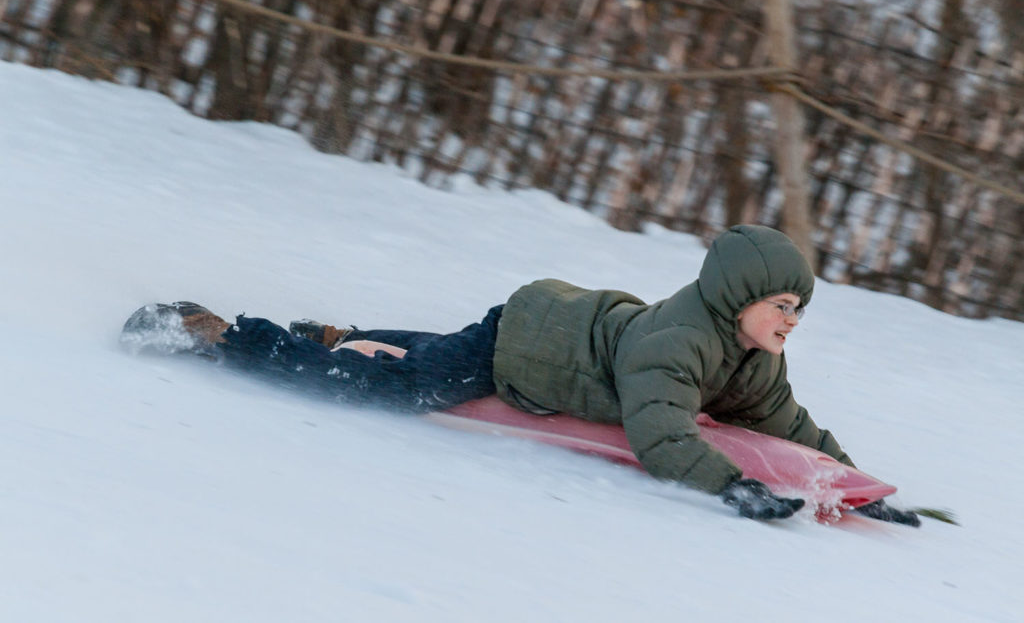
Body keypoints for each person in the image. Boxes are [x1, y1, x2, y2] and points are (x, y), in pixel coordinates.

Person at [121, 224, 918, 525]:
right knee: (396, 389)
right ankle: (219, 335)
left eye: (799, 310)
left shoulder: (750, 354)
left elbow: (790, 424)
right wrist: (728, 486)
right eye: (782, 304)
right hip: (529, 345)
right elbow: (657, 427)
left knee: (431, 355)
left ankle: (346, 333)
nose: (791, 322)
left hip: (563, 323)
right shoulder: (677, 344)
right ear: (740, 297)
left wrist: (856, 487)